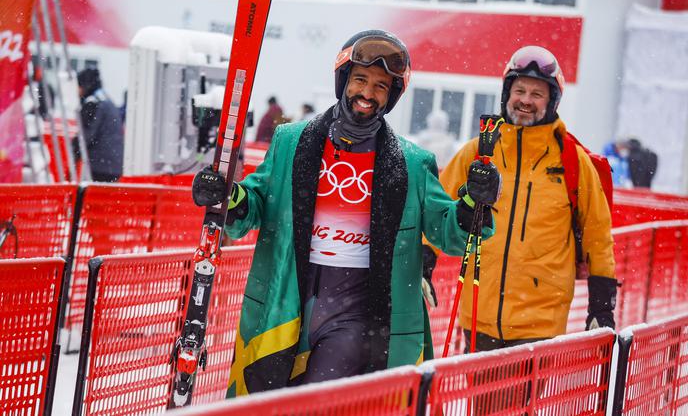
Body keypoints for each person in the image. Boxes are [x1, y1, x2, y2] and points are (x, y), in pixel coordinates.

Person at [191, 30, 501, 397]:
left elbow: (447, 231)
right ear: (343, 81)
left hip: (357, 310)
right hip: (286, 298)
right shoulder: (293, 141)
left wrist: (473, 204)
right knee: (266, 399)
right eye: (360, 80)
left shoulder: (412, 164)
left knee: (317, 399)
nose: (368, 94)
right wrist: (228, 197)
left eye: (381, 86)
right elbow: (257, 202)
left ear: (392, 95)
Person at [424, 46, 617, 354]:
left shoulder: (572, 161)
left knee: (520, 404)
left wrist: (601, 303)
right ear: (507, 94)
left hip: (540, 322)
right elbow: (437, 208)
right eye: (520, 90)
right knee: (484, 404)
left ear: (552, 101)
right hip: (479, 313)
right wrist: (424, 260)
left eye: (537, 94)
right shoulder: (479, 153)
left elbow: (597, 234)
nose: (526, 100)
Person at [73, 68, 124, 182]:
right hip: (114, 165)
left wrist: (73, 152)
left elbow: (85, 136)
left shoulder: (93, 103)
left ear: (84, 85)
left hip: (100, 165)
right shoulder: (107, 100)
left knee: (84, 197)